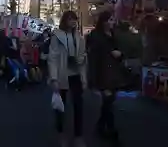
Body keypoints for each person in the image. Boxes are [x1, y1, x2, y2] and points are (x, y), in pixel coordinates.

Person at [48, 11, 87, 147]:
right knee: (60, 106)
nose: (73, 22)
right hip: (61, 74)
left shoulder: (79, 37)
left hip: (76, 74)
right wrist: (53, 78)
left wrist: (84, 76)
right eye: (70, 19)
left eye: (75, 19)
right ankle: (61, 134)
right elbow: (52, 57)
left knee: (78, 106)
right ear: (65, 21)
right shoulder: (57, 36)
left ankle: (78, 136)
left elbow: (82, 56)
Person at [87, 10, 125, 144]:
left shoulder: (114, 35)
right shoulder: (95, 36)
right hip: (102, 73)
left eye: (113, 20)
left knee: (109, 101)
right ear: (103, 22)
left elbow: (120, 51)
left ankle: (100, 126)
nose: (112, 22)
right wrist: (93, 79)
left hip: (114, 73)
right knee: (108, 101)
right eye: (109, 20)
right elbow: (93, 59)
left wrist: (119, 54)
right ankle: (111, 130)